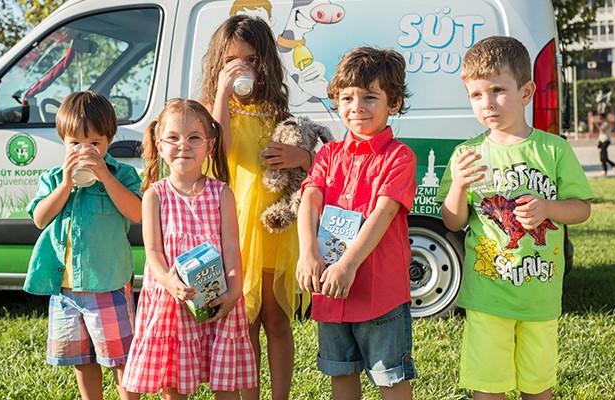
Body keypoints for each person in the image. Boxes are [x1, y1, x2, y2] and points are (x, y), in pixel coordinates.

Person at [436, 36, 593, 400]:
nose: (487, 103)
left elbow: (582, 208)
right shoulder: (467, 154)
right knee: (488, 388)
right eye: (476, 95)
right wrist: (458, 185)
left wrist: (549, 208)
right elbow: (452, 222)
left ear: (526, 92)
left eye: (496, 90)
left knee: (538, 388)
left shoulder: (553, 149)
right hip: (488, 296)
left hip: (540, 297)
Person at [296, 46, 418, 400]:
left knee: (390, 378)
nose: (357, 106)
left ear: (393, 103)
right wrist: (307, 253)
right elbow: (309, 200)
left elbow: (383, 214)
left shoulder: (399, 157)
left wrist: (348, 265)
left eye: (369, 97)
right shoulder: (328, 154)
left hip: (379, 293)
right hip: (331, 290)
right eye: (347, 97)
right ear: (336, 101)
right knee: (341, 372)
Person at [201, 15, 312, 400]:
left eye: (250, 59)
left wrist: (302, 156)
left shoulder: (277, 112)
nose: (242, 67)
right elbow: (217, 154)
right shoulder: (214, 112)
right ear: (219, 64)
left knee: (276, 319)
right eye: (232, 60)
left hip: (274, 232)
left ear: (265, 61)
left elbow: (316, 166)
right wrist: (221, 93)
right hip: (233, 231)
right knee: (242, 321)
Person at [122, 98, 256, 399]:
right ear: (159, 146)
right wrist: (170, 283)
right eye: (173, 138)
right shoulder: (154, 196)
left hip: (218, 295)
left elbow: (232, 247)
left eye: (194, 137)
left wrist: (233, 291)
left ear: (209, 145)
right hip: (172, 300)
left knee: (226, 379)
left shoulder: (222, 194)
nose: (184, 145)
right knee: (174, 381)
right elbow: (153, 251)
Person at [24, 91, 143, 400]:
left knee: (121, 359)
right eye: (75, 144)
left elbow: (137, 212)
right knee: (82, 360)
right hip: (65, 291)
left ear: (110, 140)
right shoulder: (53, 178)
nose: (84, 151)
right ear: (63, 142)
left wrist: (104, 175)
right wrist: (65, 185)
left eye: (94, 144)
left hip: (108, 285)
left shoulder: (122, 174)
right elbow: (39, 218)